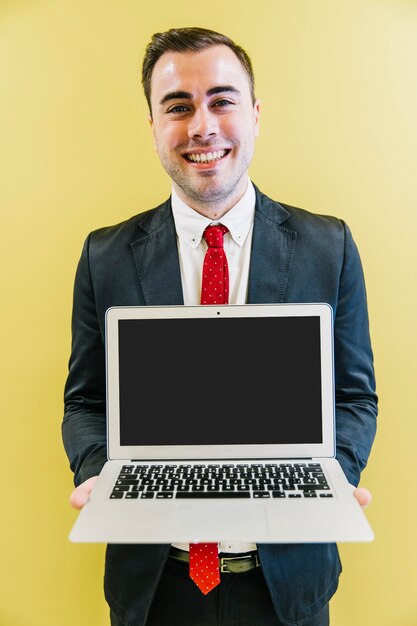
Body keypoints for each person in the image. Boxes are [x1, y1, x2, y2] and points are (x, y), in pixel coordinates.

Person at [63, 27, 377, 626]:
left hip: (287, 583)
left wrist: (334, 472)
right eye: (177, 106)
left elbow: (355, 395)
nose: (201, 126)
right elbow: (85, 401)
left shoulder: (326, 246)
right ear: (153, 125)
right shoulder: (104, 256)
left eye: (222, 100)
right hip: (155, 584)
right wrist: (98, 472)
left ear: (255, 116)